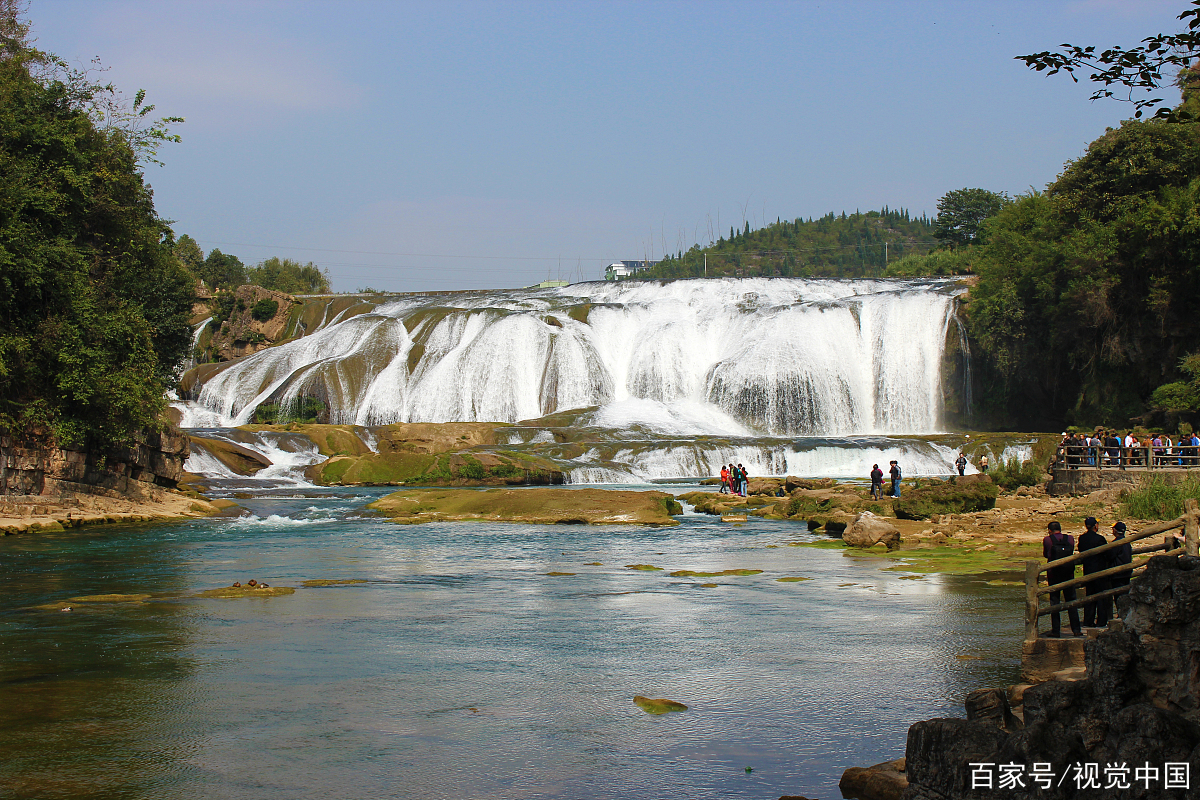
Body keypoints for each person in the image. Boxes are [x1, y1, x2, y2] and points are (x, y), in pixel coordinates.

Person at [1043, 521, 1082, 637]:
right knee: (1071, 601)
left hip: (1053, 574)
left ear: (1049, 530)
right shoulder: (1069, 538)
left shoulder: (1047, 540)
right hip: (1068, 573)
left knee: (1054, 602)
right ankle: (1076, 629)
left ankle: (1056, 630)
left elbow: (1046, 554)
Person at [1078, 516, 1110, 628]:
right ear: (1096, 525)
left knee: (1089, 596)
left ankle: (1088, 620)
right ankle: (1101, 621)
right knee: (1101, 596)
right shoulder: (1100, 539)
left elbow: (1081, 550)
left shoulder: (1082, 538)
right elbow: (1106, 553)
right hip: (1099, 569)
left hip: (1088, 569)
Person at [1108, 521, 1133, 616]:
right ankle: (1125, 613)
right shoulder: (1127, 542)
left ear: (1115, 530)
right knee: (1125, 594)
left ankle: (1122, 613)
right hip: (1127, 572)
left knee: (1119, 595)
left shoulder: (1116, 543)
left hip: (1118, 573)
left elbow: (1110, 556)